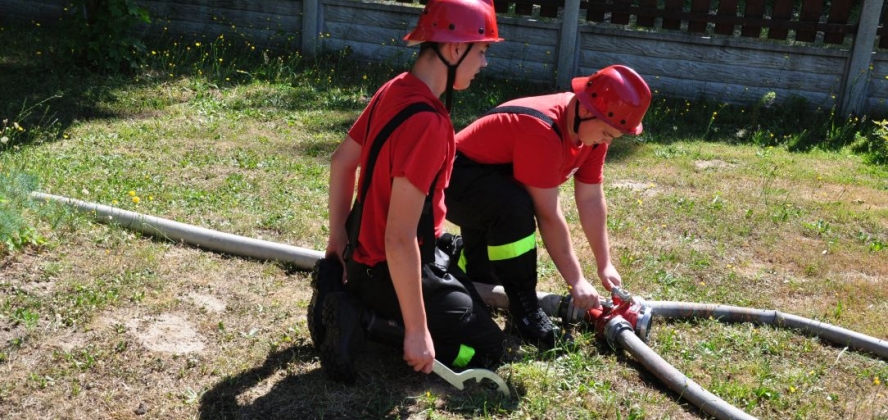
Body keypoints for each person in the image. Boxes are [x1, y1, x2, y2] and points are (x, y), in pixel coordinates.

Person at [308, 0, 505, 384]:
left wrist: (338, 236)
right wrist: (416, 332)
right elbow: (399, 238)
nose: (484, 63)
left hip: (361, 262)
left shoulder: (396, 88)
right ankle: (366, 320)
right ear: (454, 49)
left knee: (467, 296)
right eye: (481, 51)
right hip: (390, 271)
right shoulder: (429, 125)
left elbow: (341, 162)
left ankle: (352, 295)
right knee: (486, 347)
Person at [444, 65, 652, 349]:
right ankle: (526, 312)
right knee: (514, 206)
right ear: (586, 110)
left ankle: (459, 254)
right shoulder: (543, 130)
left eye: (613, 137)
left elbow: (591, 199)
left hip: (488, 183)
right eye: (606, 132)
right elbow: (549, 215)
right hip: (454, 181)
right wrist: (576, 281)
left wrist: (605, 264)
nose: (606, 141)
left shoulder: (593, 136)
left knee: (484, 273)